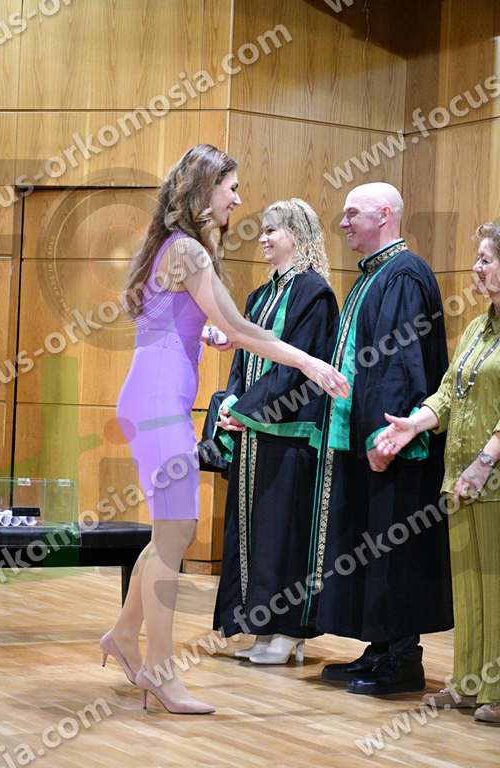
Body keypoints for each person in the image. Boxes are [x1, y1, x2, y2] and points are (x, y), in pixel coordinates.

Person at [99, 144, 349, 715]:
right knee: (174, 537)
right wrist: (309, 361)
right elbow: (239, 326)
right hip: (159, 406)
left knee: (168, 534)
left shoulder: (174, 246)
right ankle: (161, 671)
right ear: (205, 188)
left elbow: (196, 325)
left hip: (150, 398)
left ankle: (123, 634)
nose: (238, 199)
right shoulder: (188, 248)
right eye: (231, 187)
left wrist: (207, 332)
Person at [316, 182, 453, 696]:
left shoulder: (404, 274)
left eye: (353, 213)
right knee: (372, 546)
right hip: (368, 441)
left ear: (385, 216)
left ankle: (402, 658)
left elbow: (401, 362)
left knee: (396, 549)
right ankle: (379, 647)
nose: (343, 223)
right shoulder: (375, 275)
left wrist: (387, 434)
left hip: (395, 442)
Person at [374, 222, 500, 723]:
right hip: (461, 479)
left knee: (496, 586)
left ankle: (496, 690)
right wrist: (413, 423)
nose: (476, 268)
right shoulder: (476, 327)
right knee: (468, 587)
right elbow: (447, 393)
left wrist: (485, 462)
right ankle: (468, 683)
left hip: (491, 479)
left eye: (486, 259)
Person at [211, 199, 339, 664]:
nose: (263, 238)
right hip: (254, 430)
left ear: (297, 235)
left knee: (284, 532)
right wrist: (231, 404)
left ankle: (289, 631)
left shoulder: (314, 293)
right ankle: (261, 629)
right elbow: (243, 361)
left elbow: (301, 367)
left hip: (290, 433)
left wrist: (246, 410)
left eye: (273, 230)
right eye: (263, 230)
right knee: (254, 533)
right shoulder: (260, 295)